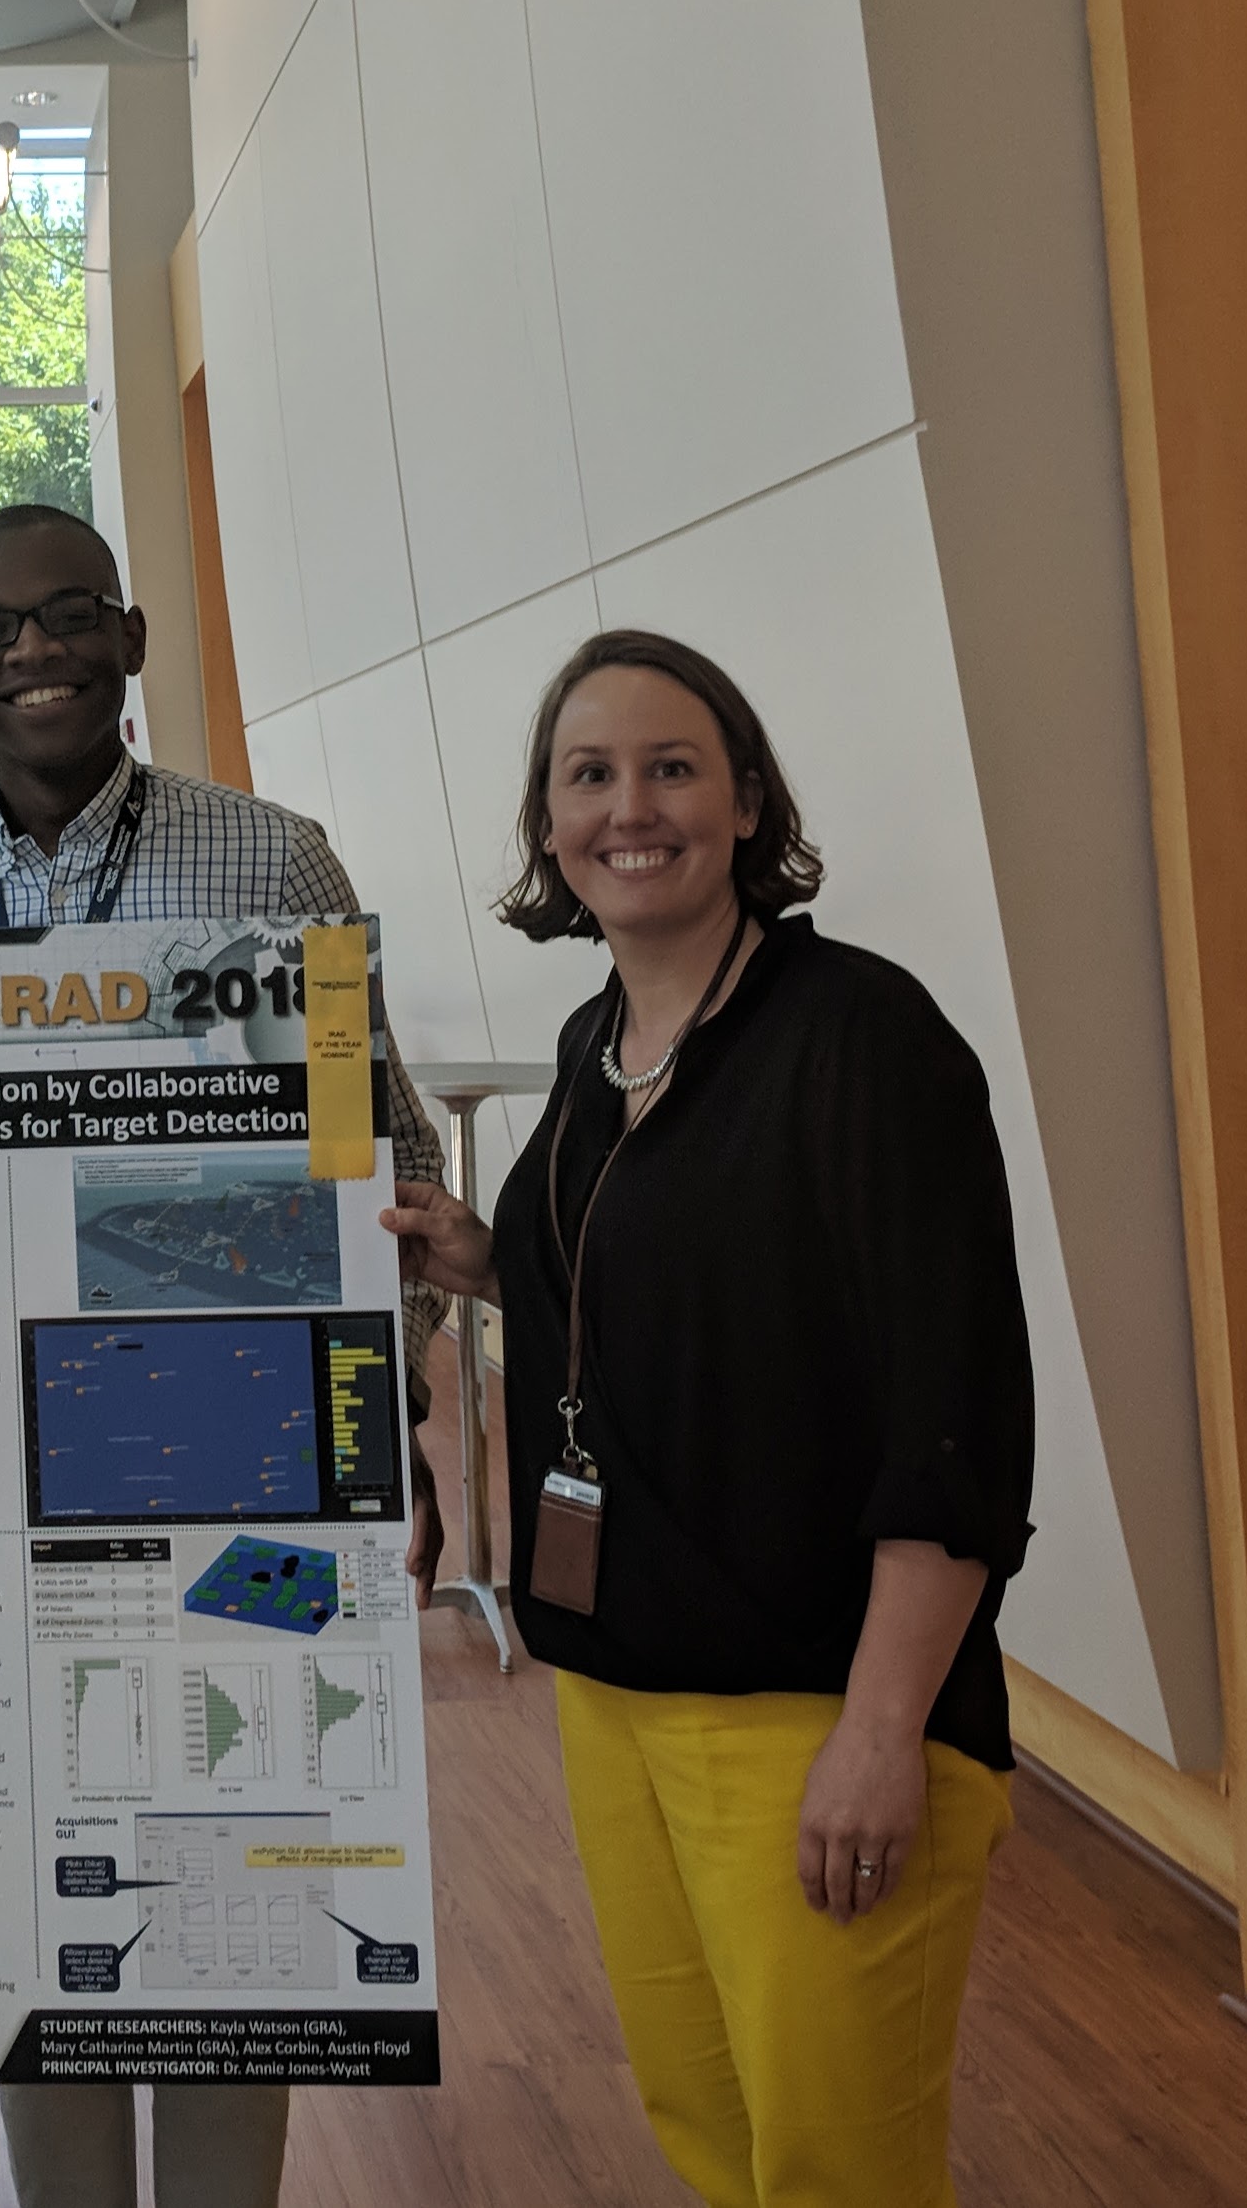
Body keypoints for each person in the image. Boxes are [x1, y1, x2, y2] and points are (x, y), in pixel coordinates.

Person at [0, 501, 449, 2208]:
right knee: (36, 1908)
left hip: (234, 1459)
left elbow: (377, 1158)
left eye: (65, 615)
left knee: (238, 1883)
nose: (30, 651)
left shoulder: (278, 863)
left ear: (130, 640)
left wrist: (383, 1428)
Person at [383, 627, 1033, 2207]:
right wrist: (478, 1261)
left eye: (672, 767)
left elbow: (954, 1418)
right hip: (616, 1694)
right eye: (587, 775)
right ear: (548, 826)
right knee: (710, 2129)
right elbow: (623, 1299)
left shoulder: (863, 1040)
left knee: (836, 2168)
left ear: (745, 800)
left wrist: (882, 1732)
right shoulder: (595, 1051)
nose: (630, 808)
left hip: (817, 1711)